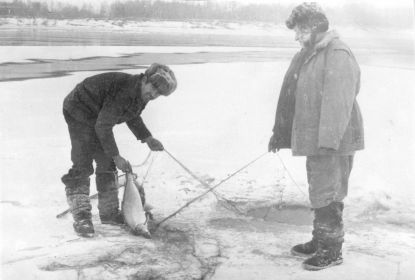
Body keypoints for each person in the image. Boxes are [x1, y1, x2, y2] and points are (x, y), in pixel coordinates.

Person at [268, 3, 364, 270]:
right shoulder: (310, 53)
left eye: (299, 30)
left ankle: (332, 251)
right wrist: (281, 132)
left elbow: (339, 101)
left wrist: (328, 143)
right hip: (317, 140)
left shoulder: (337, 53)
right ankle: (321, 240)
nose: (296, 36)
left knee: (328, 193)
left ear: (312, 27)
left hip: (332, 142)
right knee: (320, 191)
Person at [62, 63, 177, 238]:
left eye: (158, 93)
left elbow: (132, 115)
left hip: (98, 115)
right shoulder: (125, 91)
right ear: (145, 79)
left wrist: (147, 138)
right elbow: (103, 125)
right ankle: (82, 217)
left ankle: (109, 214)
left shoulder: (140, 93)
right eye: (153, 87)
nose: (153, 94)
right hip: (79, 109)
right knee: (83, 162)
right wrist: (116, 156)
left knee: (106, 162)